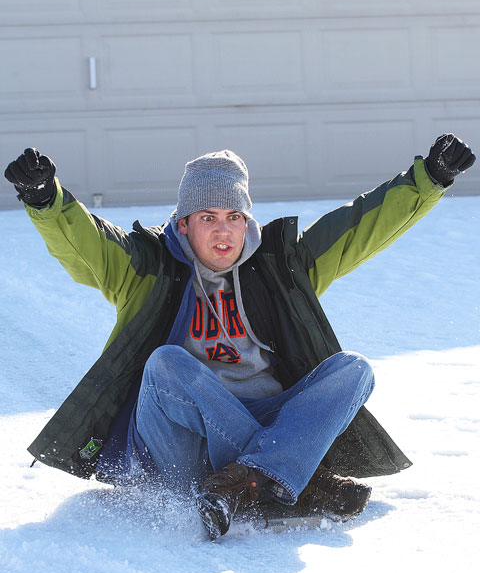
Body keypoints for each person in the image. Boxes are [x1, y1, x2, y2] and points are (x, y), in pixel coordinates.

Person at [4, 135, 475, 539]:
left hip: (260, 422)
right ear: (184, 223)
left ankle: (251, 480)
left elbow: (357, 227)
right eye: (207, 218)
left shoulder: (280, 267)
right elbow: (87, 242)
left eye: (233, 216)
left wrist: (428, 178)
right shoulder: (148, 268)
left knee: (352, 371)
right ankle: (286, 477)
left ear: (247, 222)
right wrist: (47, 199)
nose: (223, 231)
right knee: (167, 364)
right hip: (180, 444)